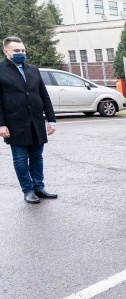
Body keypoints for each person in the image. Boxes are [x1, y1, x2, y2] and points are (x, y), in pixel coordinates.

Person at [0, 36, 58, 204]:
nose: (21, 53)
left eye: (23, 50)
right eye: (17, 51)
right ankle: (28, 190)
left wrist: (51, 120)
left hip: (36, 122)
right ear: (6, 52)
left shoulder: (33, 69)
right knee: (20, 158)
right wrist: (1, 124)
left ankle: (39, 187)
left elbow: (44, 96)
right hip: (14, 123)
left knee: (37, 157)